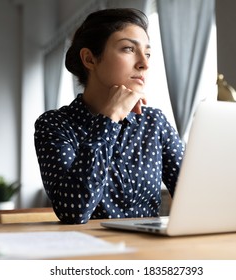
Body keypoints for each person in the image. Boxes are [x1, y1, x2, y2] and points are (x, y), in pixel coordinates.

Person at [34, 8, 184, 224]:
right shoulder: (55, 125)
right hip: (89, 253)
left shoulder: (154, 122)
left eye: (148, 53)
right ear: (90, 59)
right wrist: (109, 118)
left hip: (149, 253)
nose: (144, 63)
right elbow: (73, 211)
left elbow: (192, 197)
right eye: (128, 49)